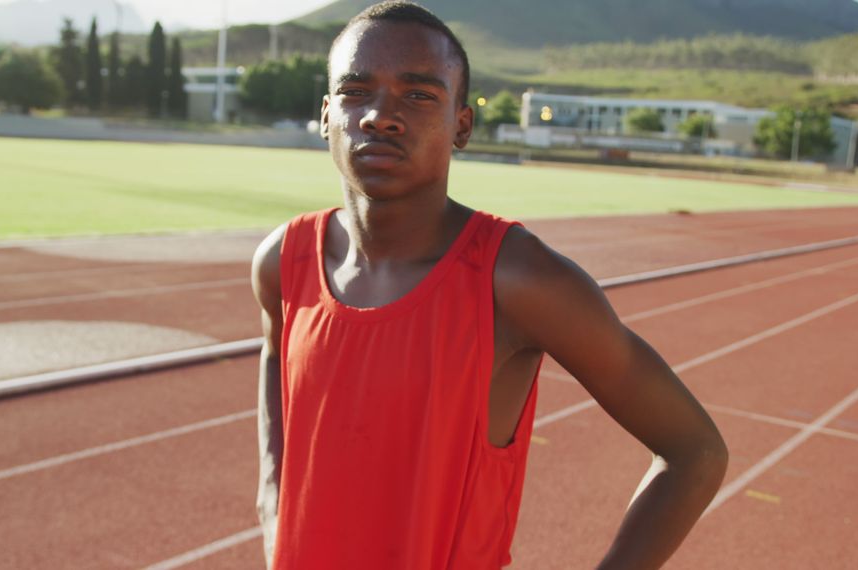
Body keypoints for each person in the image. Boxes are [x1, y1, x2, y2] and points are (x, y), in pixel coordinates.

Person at [251, 2, 728, 568]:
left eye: (419, 94)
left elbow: (694, 452)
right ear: (327, 115)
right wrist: (272, 496)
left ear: (462, 124)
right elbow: (275, 361)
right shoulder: (285, 259)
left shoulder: (517, 279)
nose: (381, 115)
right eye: (356, 92)